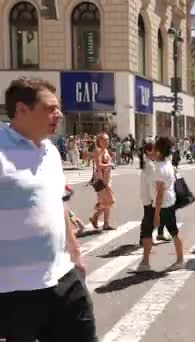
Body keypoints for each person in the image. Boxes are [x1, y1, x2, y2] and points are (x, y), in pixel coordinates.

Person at [0, 78, 96, 341]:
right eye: (50, 108)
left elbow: (58, 202)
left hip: (63, 277)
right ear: (22, 110)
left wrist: (75, 253)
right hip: (13, 290)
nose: (59, 114)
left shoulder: (51, 152)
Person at [135, 137, 185, 272]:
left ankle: (146, 263)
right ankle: (147, 262)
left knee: (153, 231)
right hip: (168, 202)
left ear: (158, 151)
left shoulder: (159, 169)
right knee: (172, 231)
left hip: (162, 205)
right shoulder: (167, 164)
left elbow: (160, 194)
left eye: (155, 148)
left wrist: (156, 214)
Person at [89, 133, 115, 231]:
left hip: (107, 180)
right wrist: (109, 165)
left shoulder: (105, 151)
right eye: (104, 140)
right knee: (110, 201)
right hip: (102, 181)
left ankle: (106, 223)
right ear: (99, 141)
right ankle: (95, 216)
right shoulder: (98, 151)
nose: (106, 141)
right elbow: (99, 165)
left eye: (107, 140)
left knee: (106, 202)